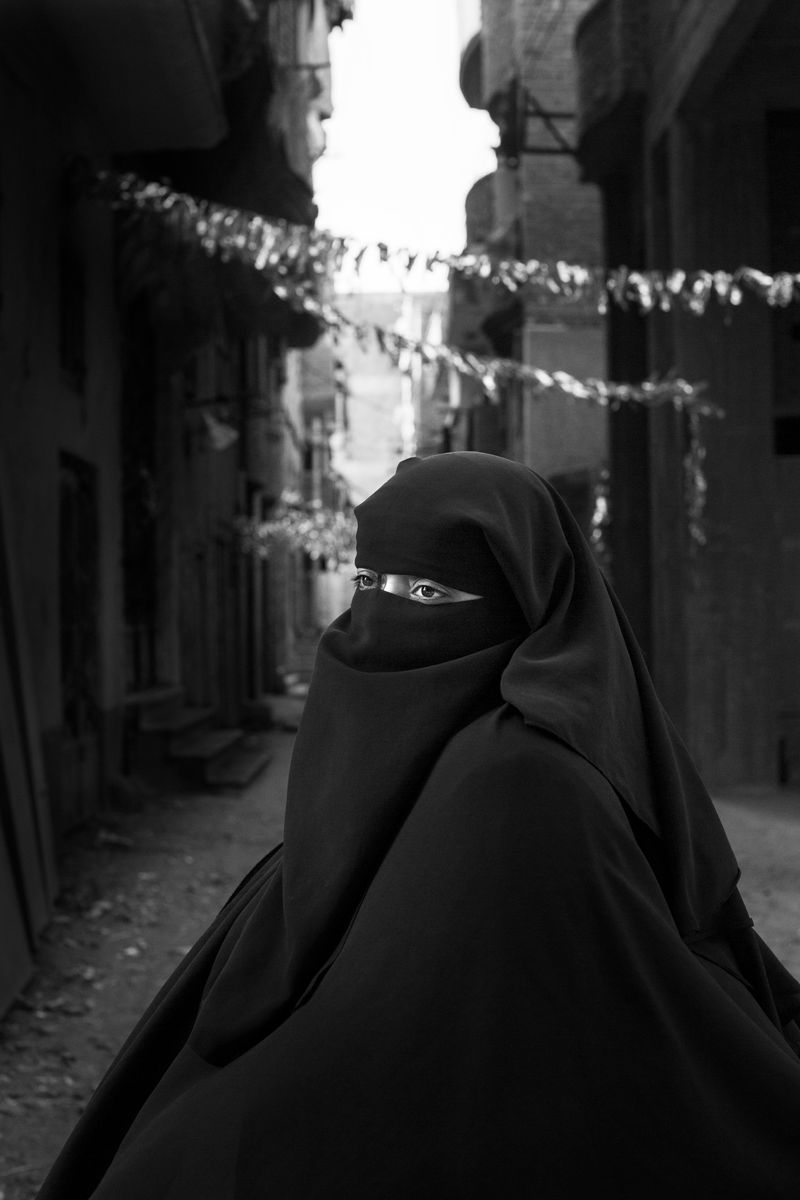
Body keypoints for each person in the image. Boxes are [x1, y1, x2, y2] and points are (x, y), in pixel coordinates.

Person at [38, 451, 800, 1199]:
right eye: (370, 582)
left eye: (429, 592)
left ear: (525, 601)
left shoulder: (525, 782)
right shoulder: (434, 752)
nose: (382, 617)